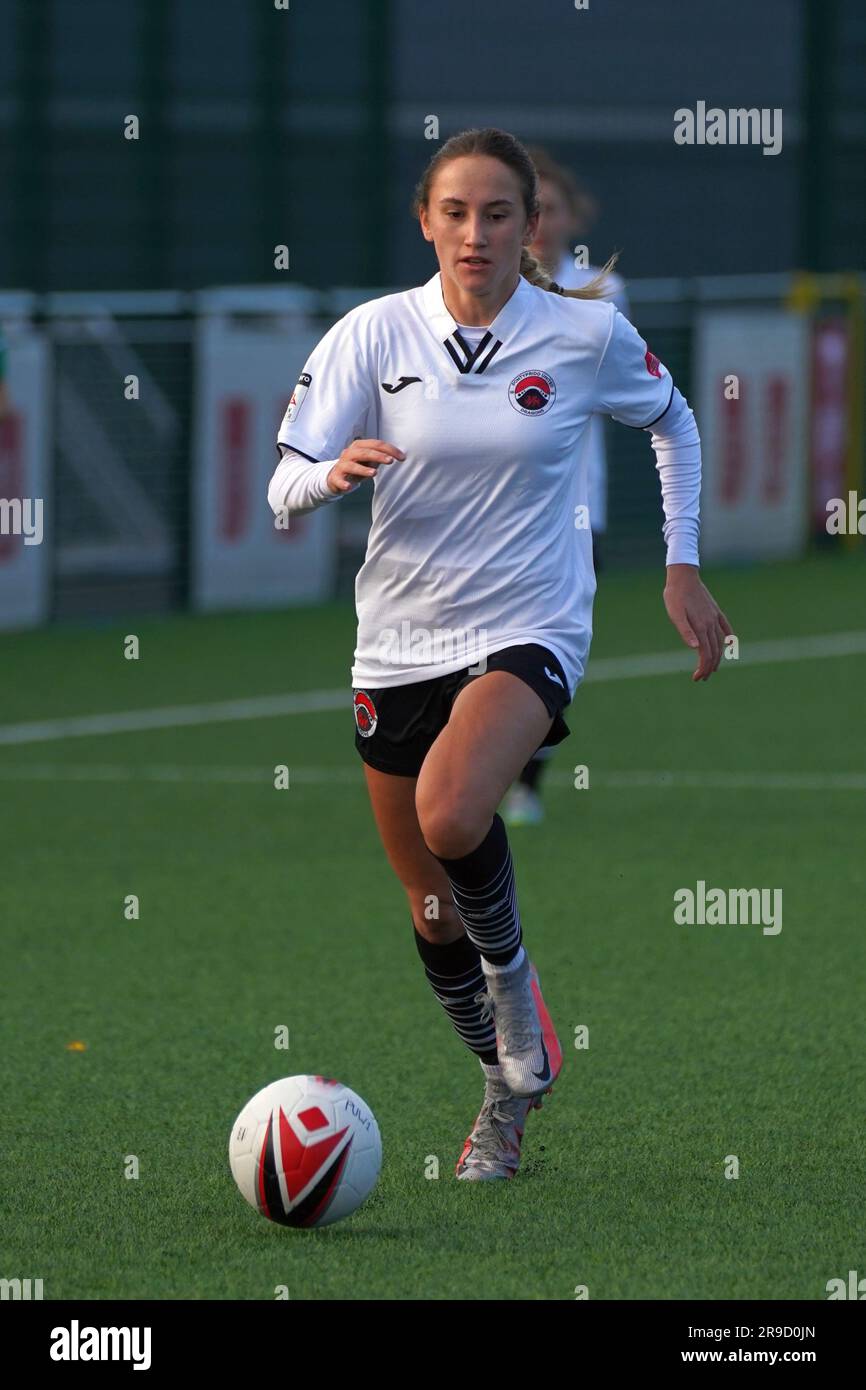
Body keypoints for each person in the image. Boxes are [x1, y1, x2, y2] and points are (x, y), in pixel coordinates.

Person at [267, 127, 730, 1182]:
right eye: (455, 212)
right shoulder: (371, 335)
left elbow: (673, 420)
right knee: (429, 907)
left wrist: (680, 565)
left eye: (497, 214)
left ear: (530, 227)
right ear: (424, 221)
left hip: (529, 621)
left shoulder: (581, 334)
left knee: (451, 807)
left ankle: (519, 1000)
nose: (475, 232)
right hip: (394, 641)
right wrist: (331, 472)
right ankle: (504, 1088)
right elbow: (280, 482)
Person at [502, 147, 629, 828]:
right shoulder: (481, 291)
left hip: (575, 512)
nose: (541, 221)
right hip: (491, 512)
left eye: (551, 208)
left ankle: (526, 783)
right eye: (531, 207)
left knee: (547, 654)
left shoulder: (598, 291)